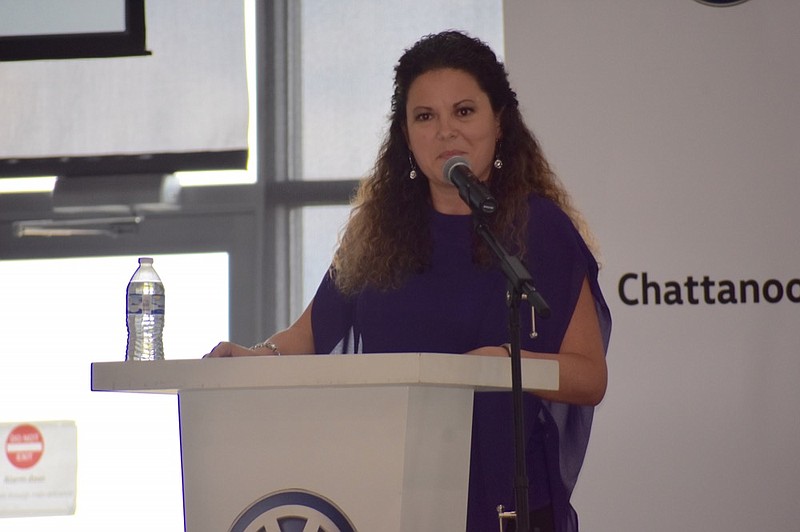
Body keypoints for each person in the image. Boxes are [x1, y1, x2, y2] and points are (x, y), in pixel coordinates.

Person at [207, 30, 611, 532]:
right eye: (426, 117)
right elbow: (309, 336)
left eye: (464, 111)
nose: (446, 133)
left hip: (509, 508)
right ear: (406, 132)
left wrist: (502, 364)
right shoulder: (379, 231)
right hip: (390, 496)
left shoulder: (538, 228)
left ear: (499, 121)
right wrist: (255, 356)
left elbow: (589, 377)